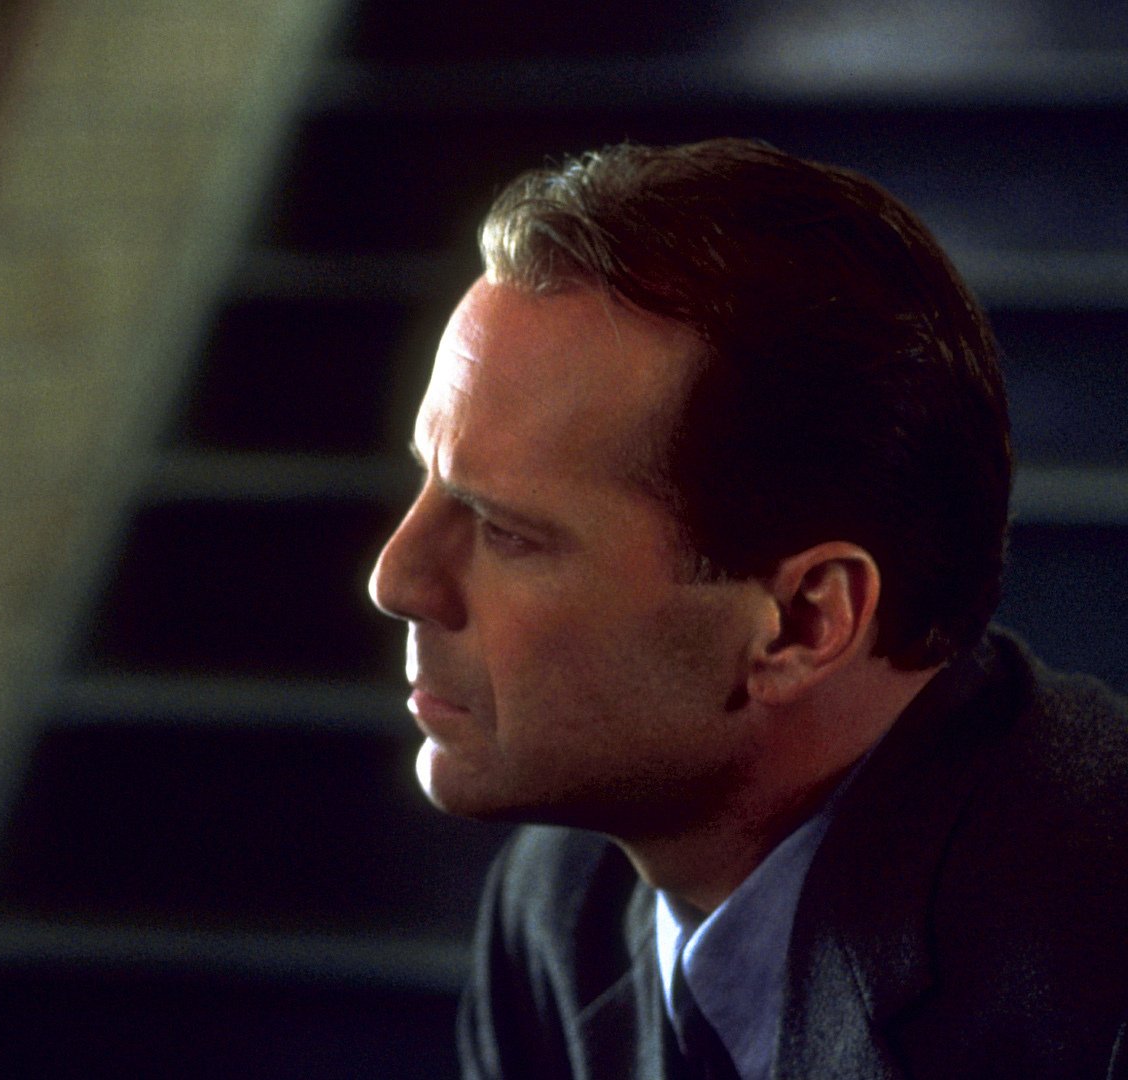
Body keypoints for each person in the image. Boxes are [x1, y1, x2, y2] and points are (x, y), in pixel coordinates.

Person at [367, 137, 1128, 1079]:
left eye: (508, 531)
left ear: (806, 622)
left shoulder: (1099, 973)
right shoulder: (558, 904)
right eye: (429, 484)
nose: (397, 580)